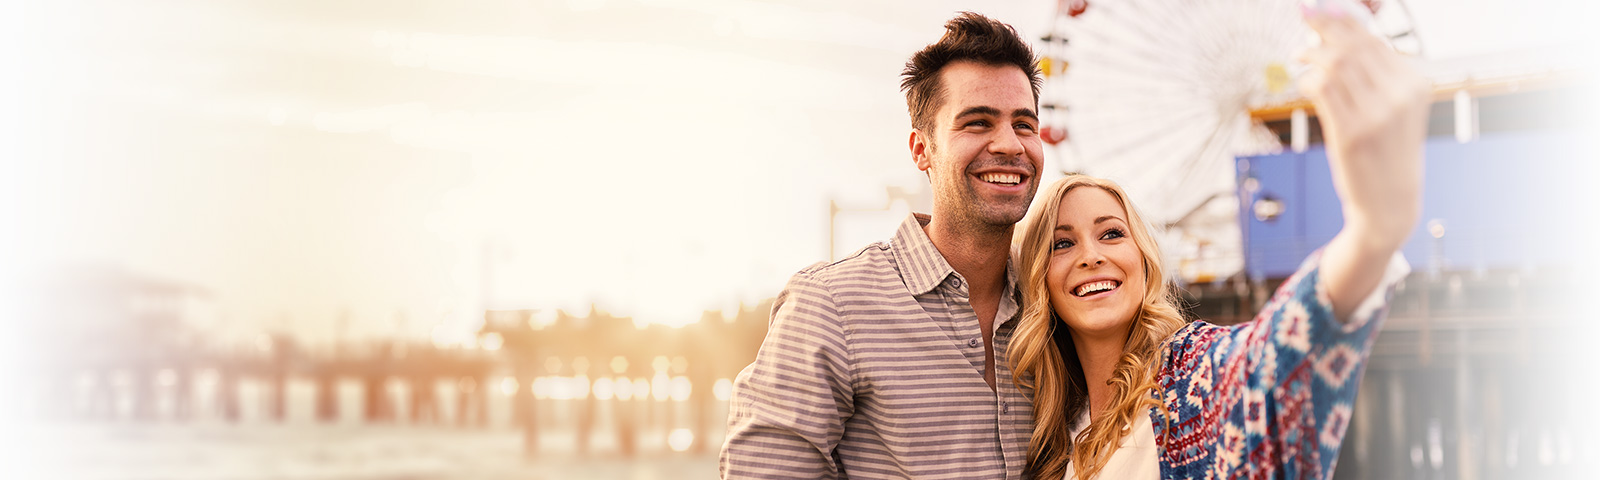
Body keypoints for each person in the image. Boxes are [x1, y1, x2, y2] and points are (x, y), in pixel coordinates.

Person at [1006, 4, 1431, 480]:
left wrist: (1372, 231)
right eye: (1062, 244)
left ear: (1144, 261)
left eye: (1112, 233)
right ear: (1038, 278)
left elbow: (1272, 358)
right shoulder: (1048, 439)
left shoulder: (1193, 382)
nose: (1092, 256)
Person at [720, 12, 1045, 479]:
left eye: (1025, 125)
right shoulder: (831, 304)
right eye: (977, 123)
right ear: (921, 149)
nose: (1009, 144)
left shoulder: (1052, 305)